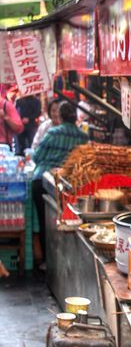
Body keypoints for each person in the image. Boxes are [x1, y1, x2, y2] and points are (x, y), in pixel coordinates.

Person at [32, 100, 88, 268]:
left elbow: (36, 156)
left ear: (61, 116)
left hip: (43, 180)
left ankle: (47, 262)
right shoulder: (83, 137)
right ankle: (64, 262)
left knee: (45, 222)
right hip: (70, 184)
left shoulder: (53, 133)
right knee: (68, 219)